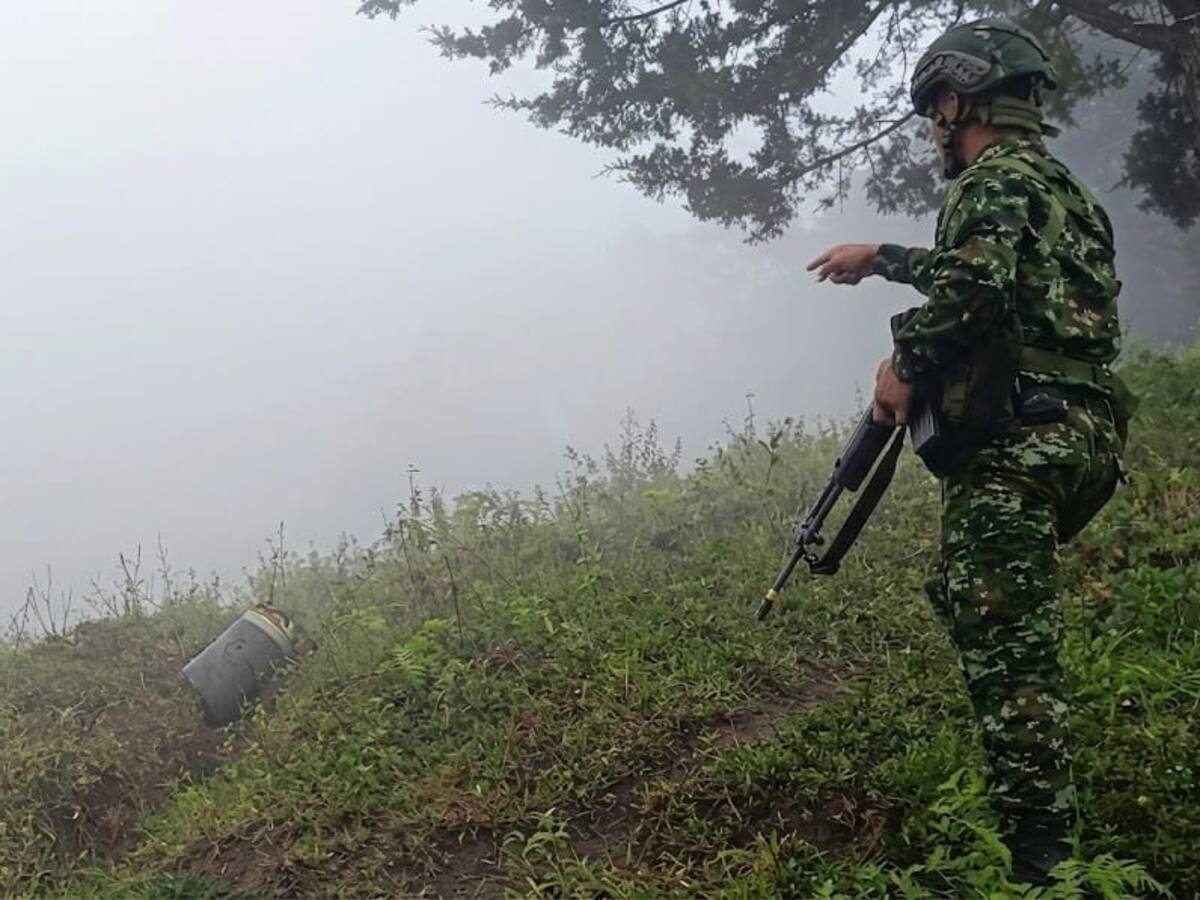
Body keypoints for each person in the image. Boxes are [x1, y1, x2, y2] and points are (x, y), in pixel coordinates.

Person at [806, 18, 1134, 886]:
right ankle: (1038, 796)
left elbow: (973, 288)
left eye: (933, 114)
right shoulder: (1060, 188)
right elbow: (998, 270)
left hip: (1019, 442)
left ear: (956, 101)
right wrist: (882, 257)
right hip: (1083, 437)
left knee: (1007, 652)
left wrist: (904, 363)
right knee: (967, 592)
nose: (932, 132)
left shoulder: (988, 181)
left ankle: (1040, 865)